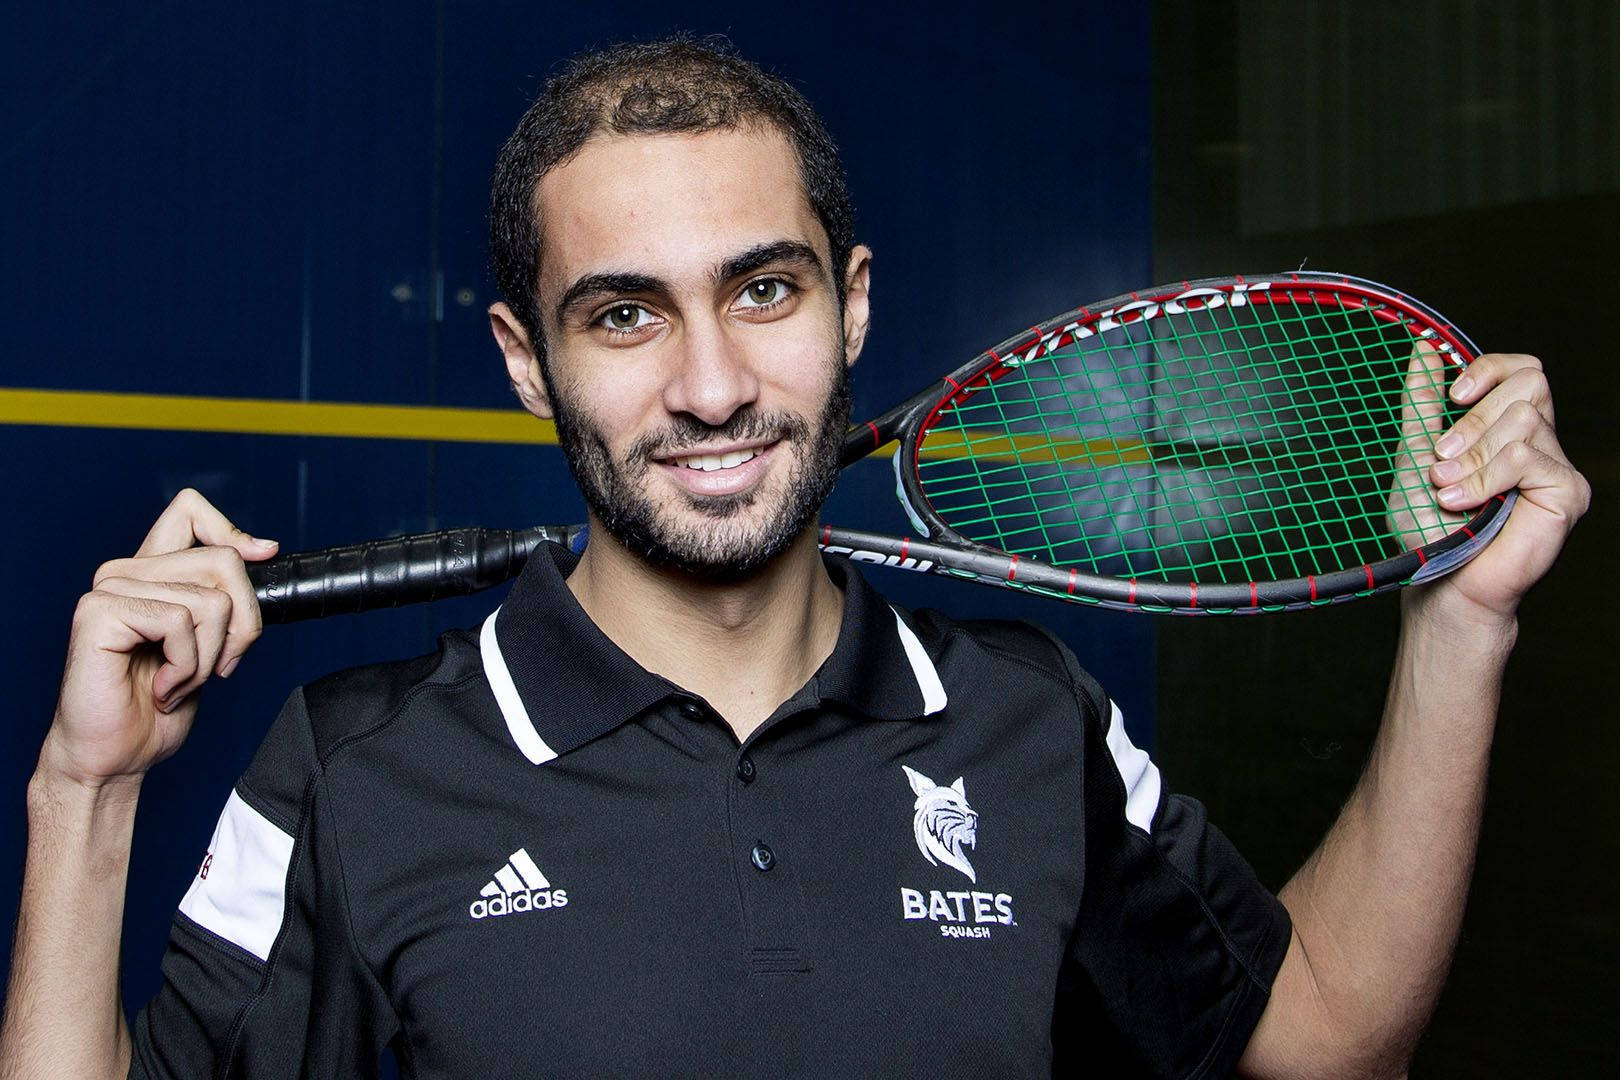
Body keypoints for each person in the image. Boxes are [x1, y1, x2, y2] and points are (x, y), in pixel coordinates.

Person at [0, 36, 1590, 1080]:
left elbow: (1324, 1045)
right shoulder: (355, 769)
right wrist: (89, 797)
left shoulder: (1029, 721)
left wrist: (1463, 625)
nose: (707, 384)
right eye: (623, 313)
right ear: (523, 363)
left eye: (763, 289)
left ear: (855, 305)